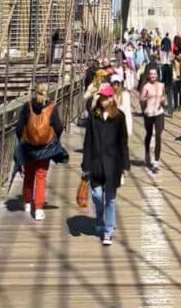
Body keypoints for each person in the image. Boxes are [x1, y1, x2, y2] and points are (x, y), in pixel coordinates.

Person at [81, 82, 129, 245]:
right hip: (96, 162)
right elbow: (88, 141)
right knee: (96, 195)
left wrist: (125, 166)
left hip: (113, 164)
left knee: (110, 199)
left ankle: (108, 230)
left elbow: (123, 142)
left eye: (105, 97)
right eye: (100, 97)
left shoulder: (119, 117)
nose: (102, 100)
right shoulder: (93, 117)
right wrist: (85, 165)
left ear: (111, 98)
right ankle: (100, 219)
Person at [15, 83, 64, 221]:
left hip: (29, 147)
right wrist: (54, 140)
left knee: (29, 174)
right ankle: (38, 208)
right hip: (45, 148)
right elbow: (59, 127)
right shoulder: (51, 107)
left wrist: (23, 139)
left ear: (35, 92)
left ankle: (27, 202)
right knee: (41, 176)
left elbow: (19, 127)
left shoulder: (27, 106)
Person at [139, 65, 166, 172]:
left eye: (154, 74)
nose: (153, 76)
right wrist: (147, 99)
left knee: (158, 134)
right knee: (149, 133)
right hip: (149, 113)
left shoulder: (161, 85)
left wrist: (162, 101)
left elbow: (163, 96)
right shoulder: (146, 87)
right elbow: (141, 99)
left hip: (159, 112)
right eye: (151, 74)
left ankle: (156, 161)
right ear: (148, 76)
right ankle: (146, 153)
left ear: (157, 75)